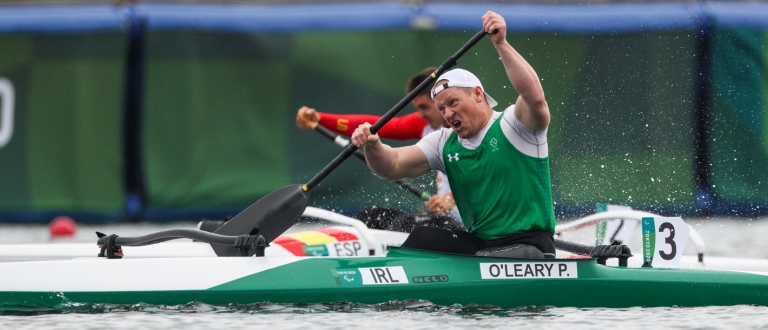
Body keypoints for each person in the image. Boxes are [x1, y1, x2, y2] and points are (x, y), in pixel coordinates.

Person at [350, 11, 556, 259]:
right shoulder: (443, 142)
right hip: (482, 244)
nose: (448, 113)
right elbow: (391, 166)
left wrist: (500, 44)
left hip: (531, 246)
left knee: (485, 256)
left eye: (453, 102)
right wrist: (373, 145)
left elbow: (534, 97)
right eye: (441, 108)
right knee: (423, 237)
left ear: (478, 94)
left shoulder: (516, 125)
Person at [296, 67, 462, 231]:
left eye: (425, 107)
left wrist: (453, 198)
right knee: (368, 216)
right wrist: (321, 119)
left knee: (401, 225)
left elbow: (488, 176)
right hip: (449, 218)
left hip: (474, 224)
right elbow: (375, 125)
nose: (420, 114)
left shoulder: (473, 132)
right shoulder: (427, 126)